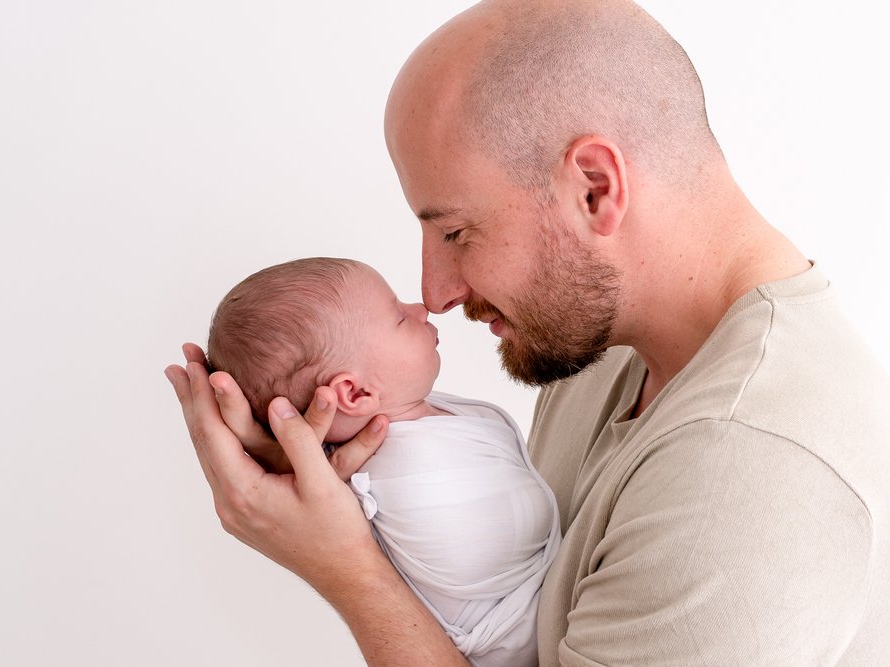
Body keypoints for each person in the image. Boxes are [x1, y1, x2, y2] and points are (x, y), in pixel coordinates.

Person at [165, 0, 890, 664]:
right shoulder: (605, 351)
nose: (436, 294)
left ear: (593, 189)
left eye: (455, 230)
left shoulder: (746, 478)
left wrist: (349, 568)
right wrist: (324, 486)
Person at [205, 257, 560, 666]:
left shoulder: (404, 428)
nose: (420, 308)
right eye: (398, 318)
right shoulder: (418, 480)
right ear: (354, 394)